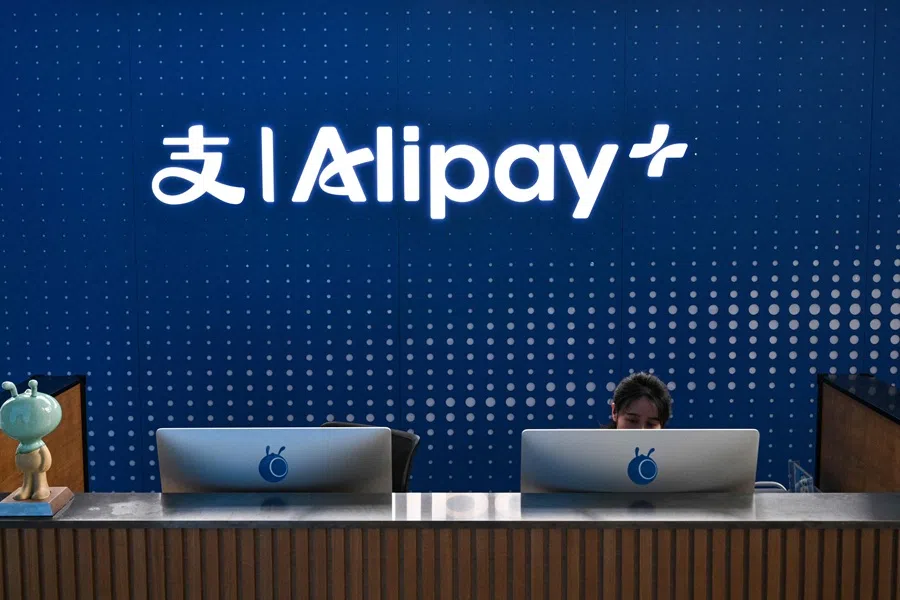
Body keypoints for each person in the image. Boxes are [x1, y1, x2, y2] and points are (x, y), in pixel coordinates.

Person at [606, 371, 673, 429]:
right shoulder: (597, 443)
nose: (641, 430)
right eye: (632, 420)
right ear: (614, 412)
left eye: (651, 424)